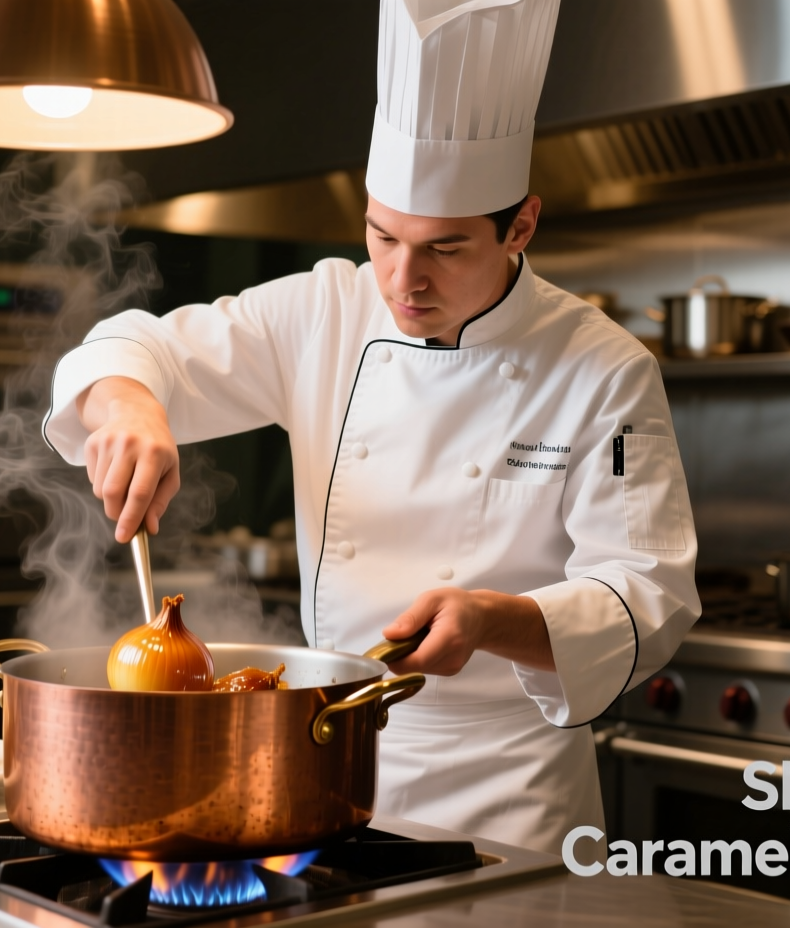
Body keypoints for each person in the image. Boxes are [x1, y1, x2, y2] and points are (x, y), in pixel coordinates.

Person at [43, 0, 699, 855]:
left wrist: (494, 620)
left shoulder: (604, 368)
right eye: (381, 235)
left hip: (508, 792)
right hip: (325, 767)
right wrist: (131, 406)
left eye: (447, 249)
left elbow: (648, 594)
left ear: (521, 227)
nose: (403, 278)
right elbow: (130, 346)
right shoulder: (325, 310)